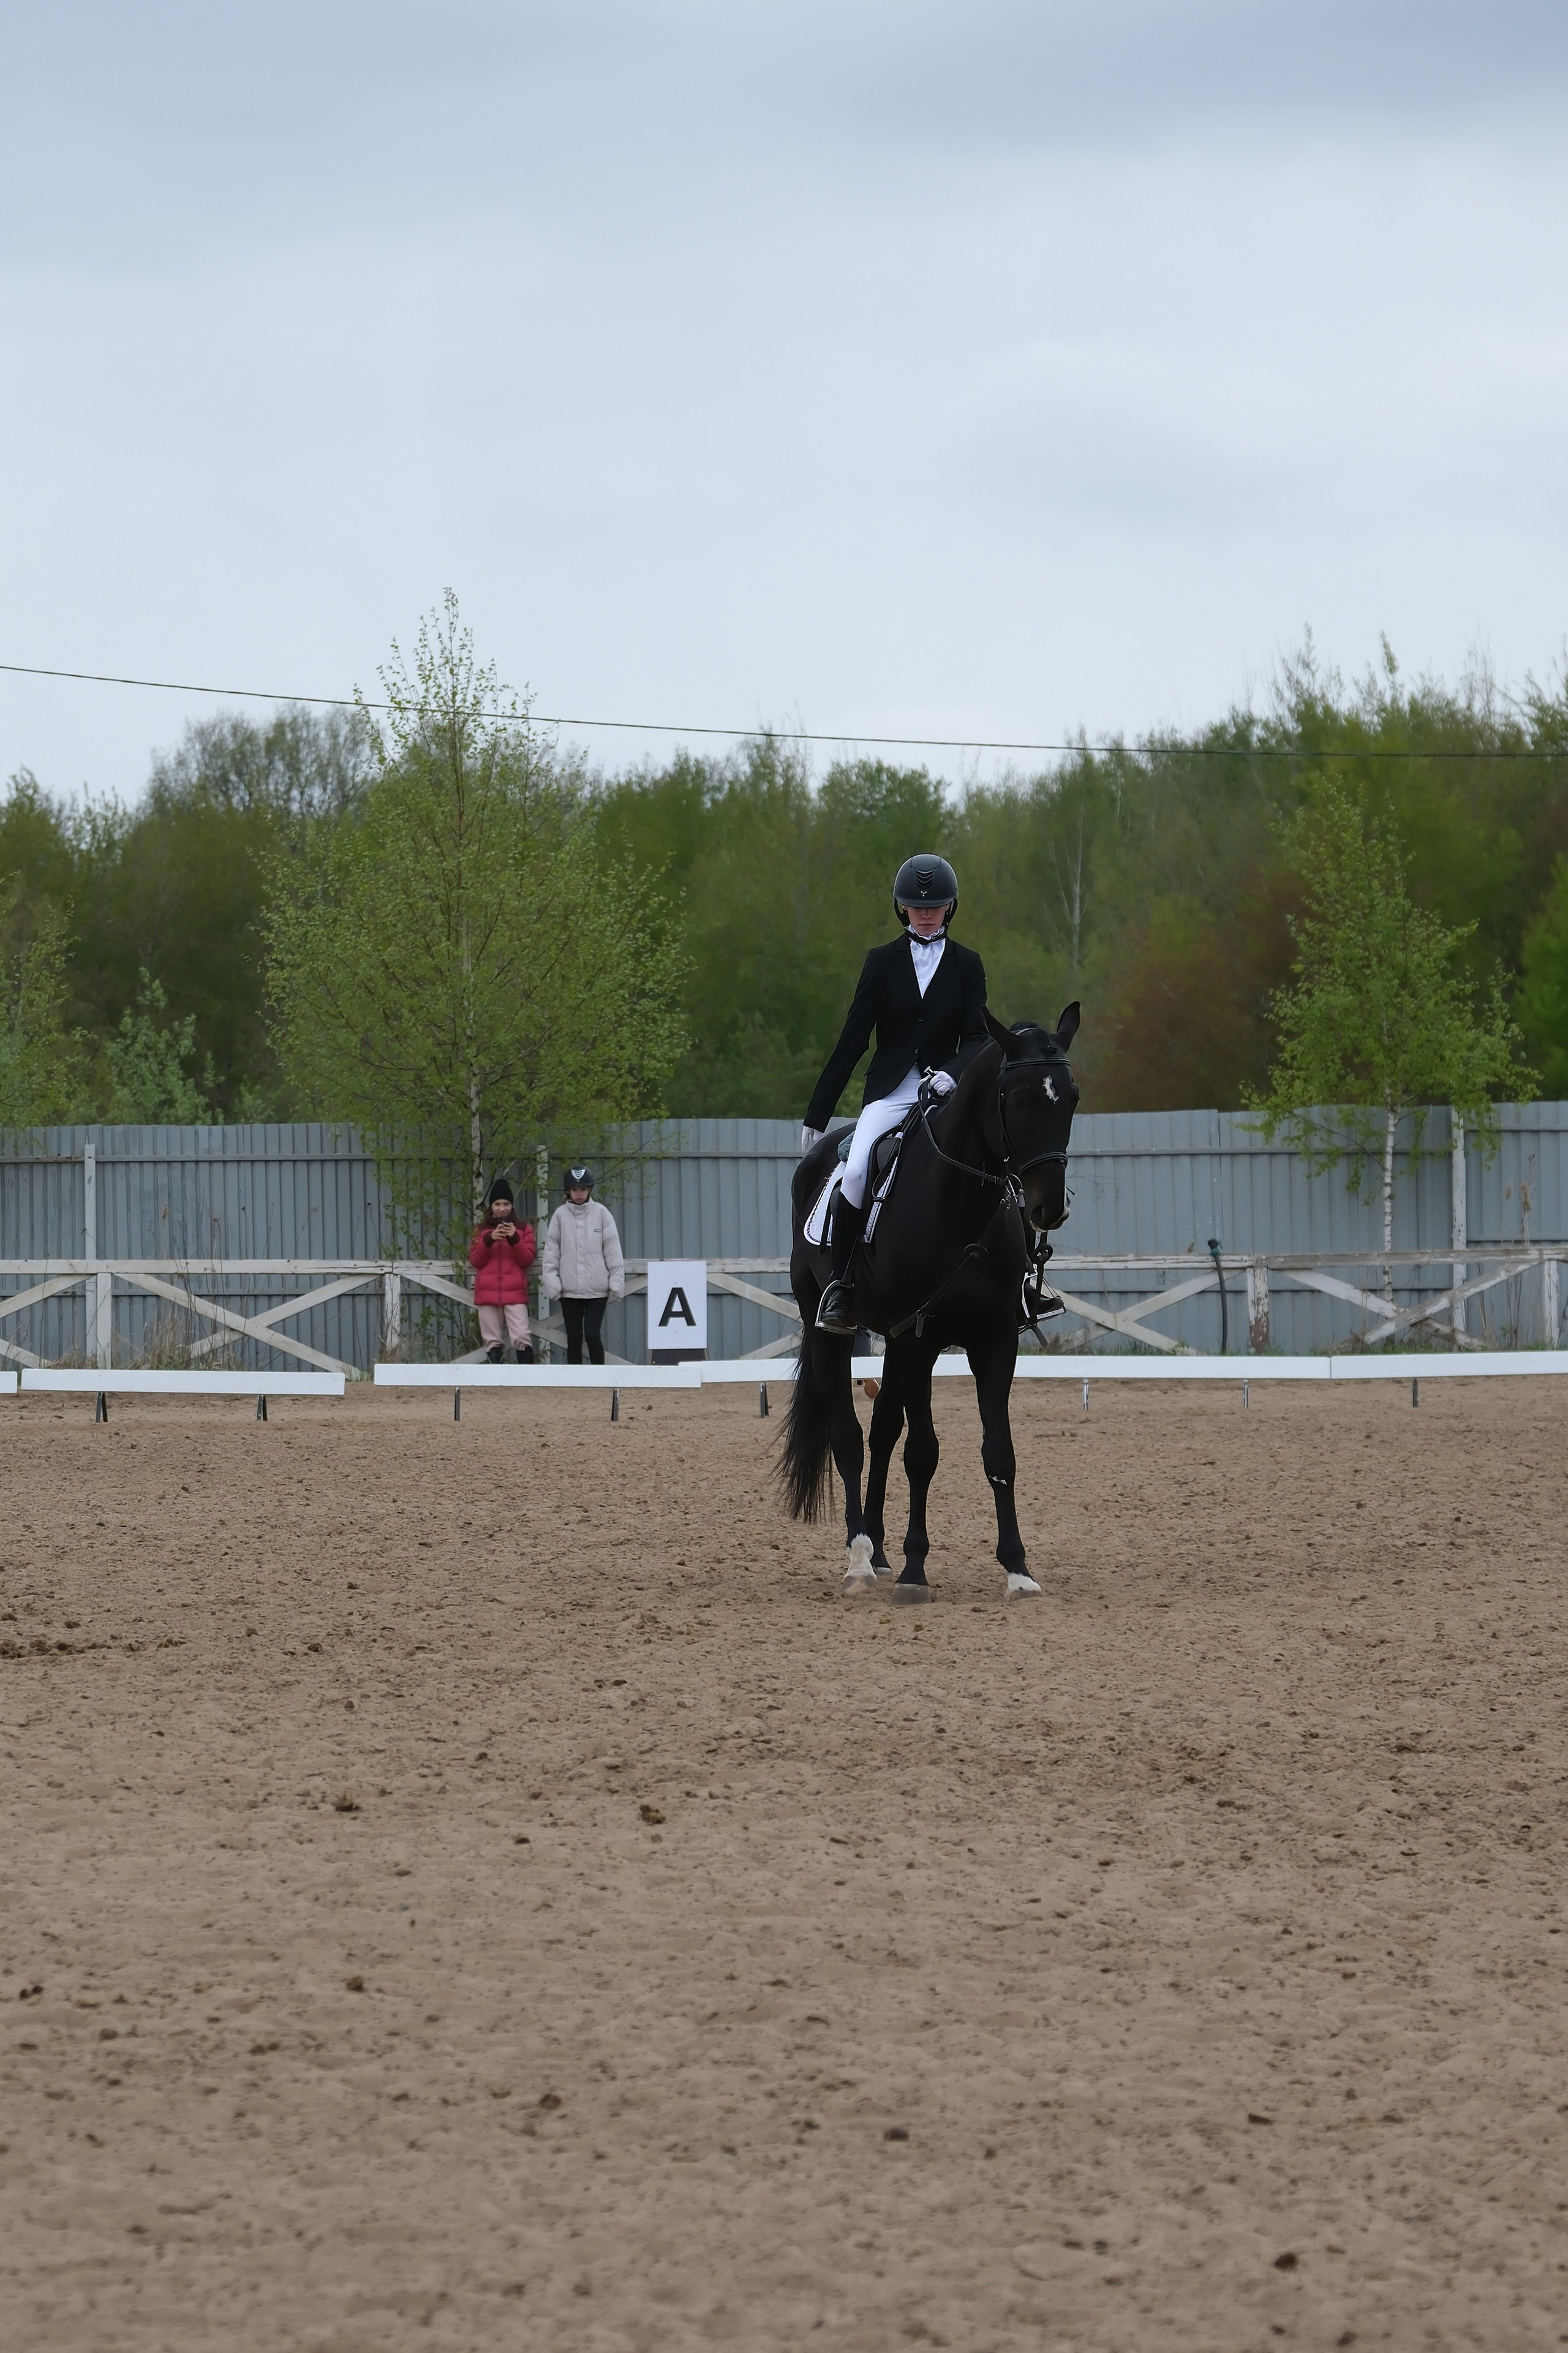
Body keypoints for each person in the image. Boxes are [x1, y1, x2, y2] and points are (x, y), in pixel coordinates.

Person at [802, 854, 988, 1333]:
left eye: (935, 906)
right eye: (915, 906)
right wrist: (818, 1112)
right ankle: (840, 1287)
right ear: (901, 908)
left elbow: (977, 1037)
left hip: (945, 1089)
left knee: (998, 1159)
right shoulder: (881, 961)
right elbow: (853, 1039)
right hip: (890, 1092)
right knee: (860, 1166)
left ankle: (1020, 1280)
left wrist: (952, 1074)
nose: (925, 914)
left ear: (950, 908)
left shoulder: (968, 964)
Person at [542, 1165, 625, 1364]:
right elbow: (551, 1252)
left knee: (592, 1334)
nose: (579, 1194)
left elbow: (613, 1249)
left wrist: (616, 1283)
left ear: (590, 1190)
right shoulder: (560, 1216)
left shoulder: (602, 1214)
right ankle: (575, 1381)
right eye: (575, 1190)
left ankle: (600, 1377)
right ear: (568, 1191)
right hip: (569, 1291)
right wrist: (553, 1283)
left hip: (597, 1290)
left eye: (583, 1189)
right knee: (574, 1338)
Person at [468, 1178, 537, 1363]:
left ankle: (527, 1380)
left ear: (512, 1205)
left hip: (514, 1291)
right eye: (497, 1204)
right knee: (492, 1340)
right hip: (487, 1292)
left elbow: (527, 1260)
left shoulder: (523, 1229)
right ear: (491, 1206)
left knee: (522, 1336)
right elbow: (476, 1261)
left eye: (506, 1204)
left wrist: (514, 1239)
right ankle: (496, 1381)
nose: (502, 1208)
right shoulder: (481, 1230)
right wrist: (489, 1240)